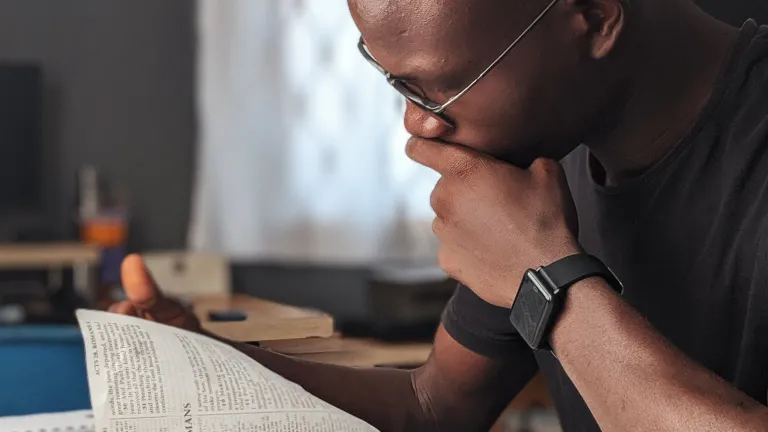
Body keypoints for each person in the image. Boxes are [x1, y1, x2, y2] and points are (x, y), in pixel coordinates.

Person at [111, 0, 768, 430]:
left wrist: (544, 276)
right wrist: (204, 360)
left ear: (594, 17)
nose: (417, 123)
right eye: (396, 83)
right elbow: (432, 406)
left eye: (439, 87)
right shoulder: (545, 152)